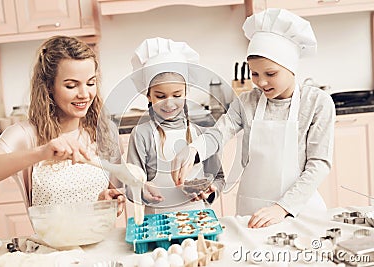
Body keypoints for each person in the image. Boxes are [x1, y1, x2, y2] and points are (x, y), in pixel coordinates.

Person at [171, 9, 335, 228]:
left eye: (271, 74)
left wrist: (282, 208)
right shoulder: (247, 101)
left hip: (299, 211)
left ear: (291, 67)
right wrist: (193, 149)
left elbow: (318, 164)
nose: (261, 82)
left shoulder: (317, 103)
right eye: (254, 74)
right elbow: (221, 131)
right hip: (253, 211)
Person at [0, 36, 125, 214]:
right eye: (71, 86)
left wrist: (108, 203)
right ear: (48, 86)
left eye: (90, 83)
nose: (85, 94)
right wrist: (41, 152)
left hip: (101, 240)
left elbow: (112, 201)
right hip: (50, 243)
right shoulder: (25, 134)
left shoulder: (104, 131)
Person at [128, 37, 225, 214]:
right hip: (157, 220)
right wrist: (141, 190)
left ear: (186, 92)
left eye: (177, 95)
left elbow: (218, 177)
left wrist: (210, 191)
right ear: (148, 95)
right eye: (160, 96)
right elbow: (129, 184)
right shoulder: (141, 134)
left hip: (198, 216)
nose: (169, 103)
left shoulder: (200, 133)